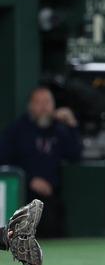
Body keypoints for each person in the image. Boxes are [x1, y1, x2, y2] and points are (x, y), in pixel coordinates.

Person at [0, 86, 82, 238]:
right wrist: (29, 179)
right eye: (38, 102)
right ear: (30, 106)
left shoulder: (60, 130)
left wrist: (72, 125)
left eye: (47, 102)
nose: (44, 107)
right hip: (21, 196)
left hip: (49, 199)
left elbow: (75, 155)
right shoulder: (16, 130)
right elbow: (4, 161)